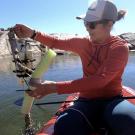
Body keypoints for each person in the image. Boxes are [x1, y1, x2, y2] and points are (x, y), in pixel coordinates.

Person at [14, 0, 135, 135]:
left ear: (109, 24)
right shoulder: (83, 43)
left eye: (92, 24)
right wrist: (32, 33)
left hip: (113, 101)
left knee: (130, 123)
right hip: (86, 102)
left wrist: (53, 87)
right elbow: (55, 42)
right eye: (85, 23)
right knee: (64, 125)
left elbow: (100, 80)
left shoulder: (119, 48)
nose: (87, 28)